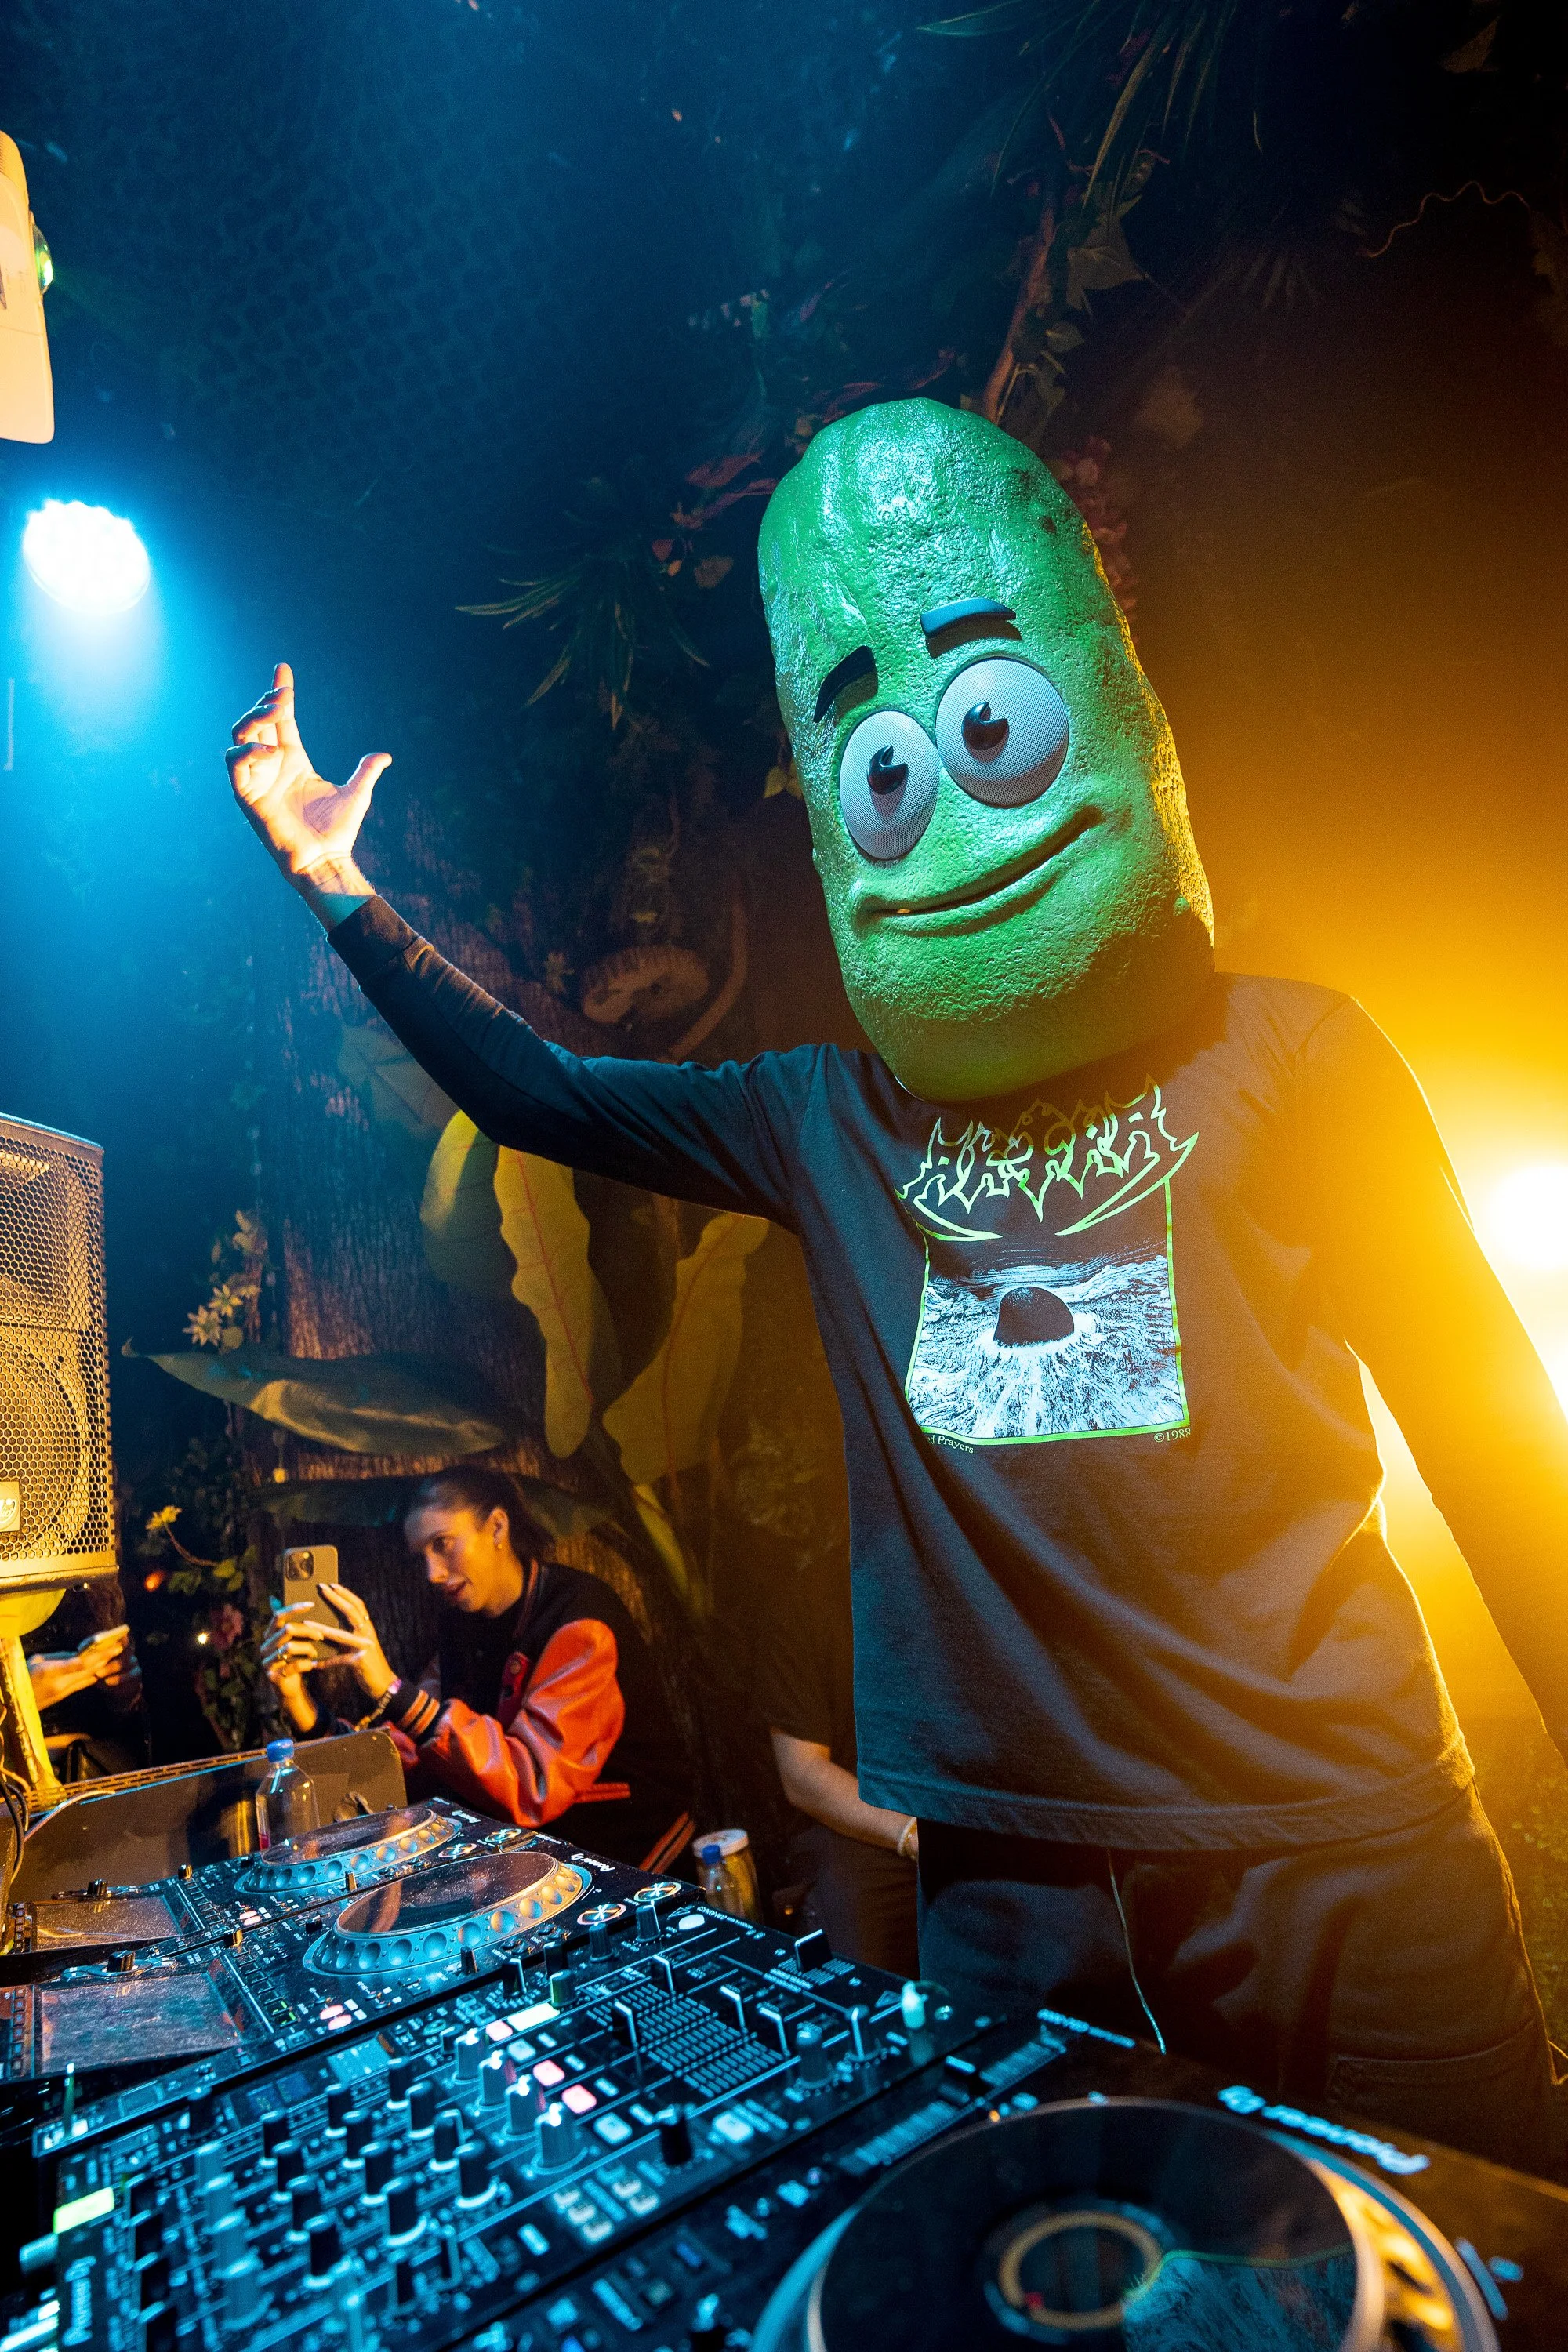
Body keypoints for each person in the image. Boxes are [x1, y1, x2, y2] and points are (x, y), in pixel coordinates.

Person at [226, 398, 1568, 2173]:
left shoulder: (1290, 1058)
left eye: (988, 725)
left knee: (1480, 2257)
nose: (937, 795)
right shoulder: (825, 1117)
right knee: (1039, 2266)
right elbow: (541, 1092)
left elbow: (1493, 1440)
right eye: (884, 765)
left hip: (1341, 1837)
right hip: (1022, 1876)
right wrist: (336, 884)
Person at [260, 1468, 694, 1870]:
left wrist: (390, 1688)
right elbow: (408, 1755)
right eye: (421, 1556)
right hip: (542, 1859)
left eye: (442, 1543)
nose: (431, 1573)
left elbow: (533, 1783)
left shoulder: (579, 1621)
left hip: (635, 1860)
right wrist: (300, 1705)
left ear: (498, 1528)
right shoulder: (461, 1625)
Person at [758, 1541, 919, 1977]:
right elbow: (802, 1773)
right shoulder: (806, 1603)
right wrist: (909, 1832)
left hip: (970, 1810)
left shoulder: (966, 1575)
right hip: (863, 1823)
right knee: (854, 1952)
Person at [25, 1598, 145, 1781]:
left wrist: (125, 1695)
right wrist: (13, 1697)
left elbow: (131, 1733)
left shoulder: (92, 1587)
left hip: (103, 1776)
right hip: (18, 1790)